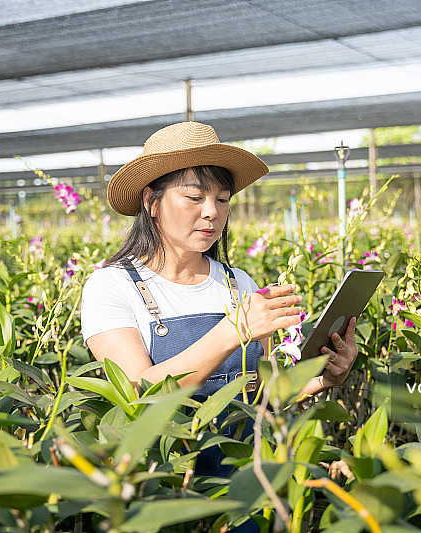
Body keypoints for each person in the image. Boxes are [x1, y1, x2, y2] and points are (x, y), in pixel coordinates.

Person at [79, 121, 358, 475]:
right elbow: (137, 393)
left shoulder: (238, 283)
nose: (212, 212)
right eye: (195, 197)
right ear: (151, 202)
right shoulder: (112, 286)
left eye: (222, 199)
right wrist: (234, 330)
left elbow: (266, 392)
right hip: (168, 481)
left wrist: (321, 378)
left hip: (249, 478)